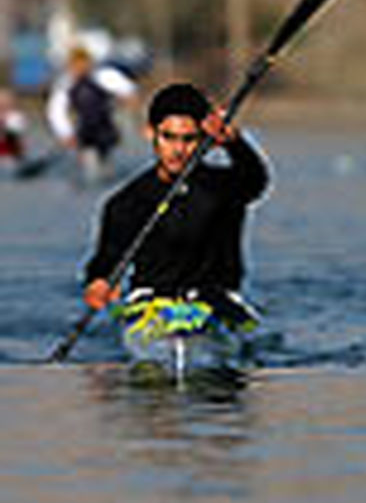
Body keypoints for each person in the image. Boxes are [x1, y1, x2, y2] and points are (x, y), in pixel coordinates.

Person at [81, 83, 269, 340]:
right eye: (168, 137)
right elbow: (105, 260)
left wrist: (235, 144)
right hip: (151, 303)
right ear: (150, 133)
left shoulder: (226, 189)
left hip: (214, 301)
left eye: (189, 139)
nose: (178, 150)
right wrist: (99, 281)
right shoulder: (125, 203)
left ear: (205, 140)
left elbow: (256, 181)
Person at [46, 46, 138, 183]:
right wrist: (65, 133)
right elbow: (55, 111)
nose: (80, 68)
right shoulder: (65, 84)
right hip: (85, 130)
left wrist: (129, 98)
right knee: (92, 173)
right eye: (75, 65)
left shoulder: (104, 76)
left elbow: (128, 89)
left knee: (107, 171)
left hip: (106, 127)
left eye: (83, 63)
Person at [0, 88, 27, 166]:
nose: (3, 105)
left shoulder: (15, 117)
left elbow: (15, 137)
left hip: (11, 157)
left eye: (6, 103)